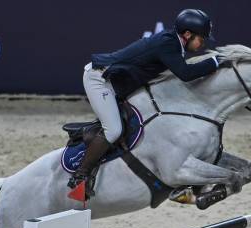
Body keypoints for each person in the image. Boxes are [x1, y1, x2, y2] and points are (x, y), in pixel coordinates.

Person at [68, 9, 224, 194]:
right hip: (100, 80)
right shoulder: (168, 44)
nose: (202, 43)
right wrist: (216, 61)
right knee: (114, 129)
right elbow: (186, 74)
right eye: (201, 38)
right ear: (187, 34)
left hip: (117, 82)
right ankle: (80, 176)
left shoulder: (172, 42)